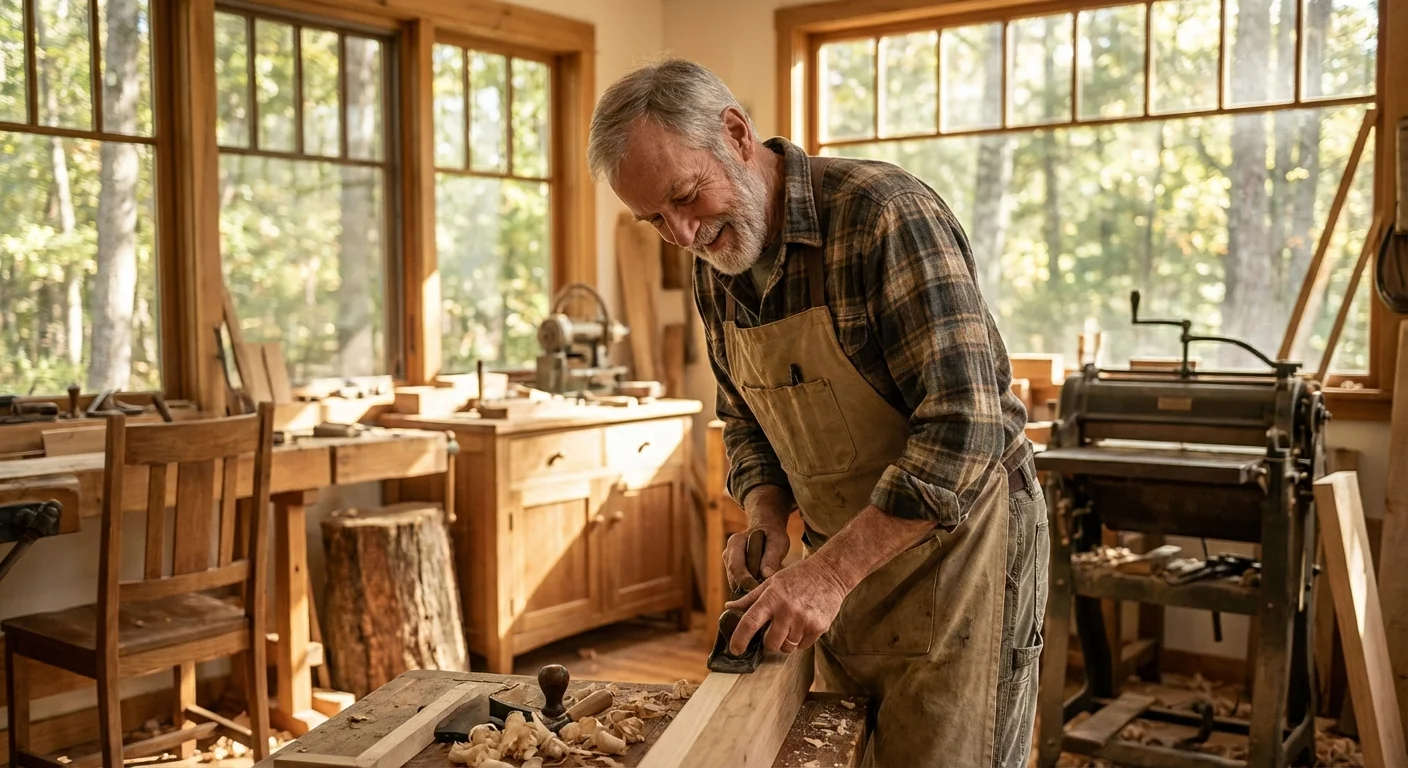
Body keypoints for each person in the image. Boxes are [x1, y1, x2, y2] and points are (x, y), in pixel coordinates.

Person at [587, 56, 1048, 767]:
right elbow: (744, 419)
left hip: (963, 556)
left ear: (736, 133)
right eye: (654, 220)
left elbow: (966, 424)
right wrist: (768, 518)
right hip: (847, 556)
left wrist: (828, 574)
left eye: (686, 196)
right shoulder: (718, 259)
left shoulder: (883, 216)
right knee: (849, 748)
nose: (681, 235)